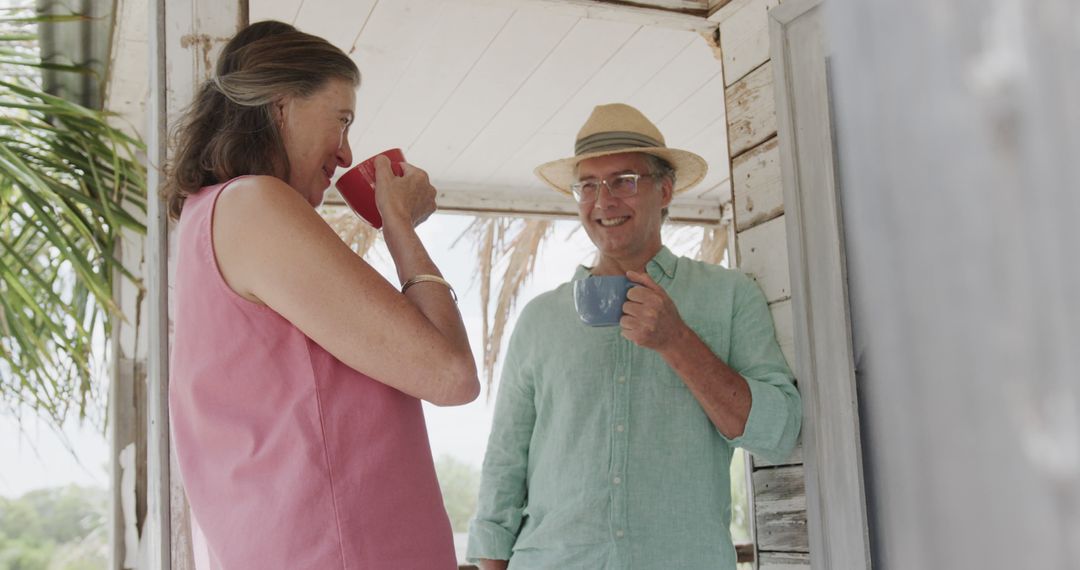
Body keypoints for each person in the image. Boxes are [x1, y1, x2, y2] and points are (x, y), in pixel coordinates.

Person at [164, 21, 479, 569]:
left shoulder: (207, 215)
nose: (346, 150)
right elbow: (451, 376)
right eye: (342, 119)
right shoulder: (253, 204)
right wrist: (398, 224)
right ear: (281, 105)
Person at [467, 103, 802, 569]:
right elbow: (505, 466)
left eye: (624, 181)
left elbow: (779, 432)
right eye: (587, 185)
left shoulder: (729, 296)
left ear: (665, 190)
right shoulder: (540, 319)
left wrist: (677, 341)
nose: (603, 201)